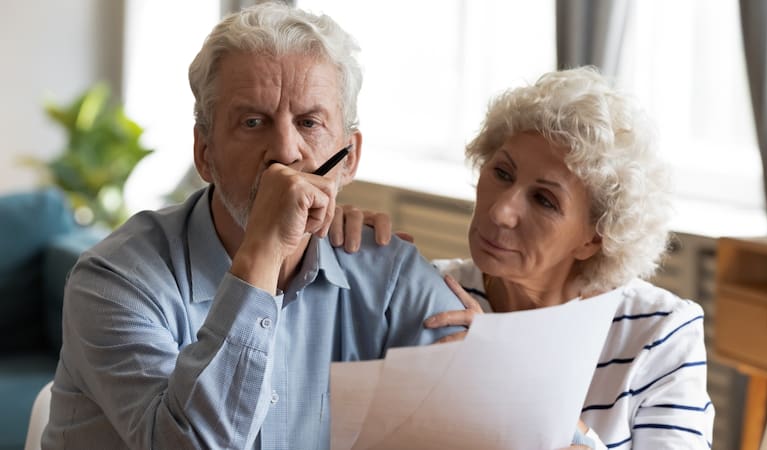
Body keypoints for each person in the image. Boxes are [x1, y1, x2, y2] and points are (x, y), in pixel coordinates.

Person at [41, 3, 464, 449]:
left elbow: (481, 423)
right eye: (253, 122)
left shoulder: (389, 274)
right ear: (205, 154)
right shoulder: (114, 281)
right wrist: (265, 249)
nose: (284, 150)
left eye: (309, 122)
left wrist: (488, 357)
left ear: (349, 157)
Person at [341, 66, 715, 449]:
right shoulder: (429, 296)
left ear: (594, 237)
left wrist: (516, 380)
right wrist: (337, 249)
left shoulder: (658, 332)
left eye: (544, 200)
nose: (501, 211)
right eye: (502, 173)